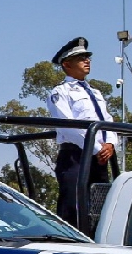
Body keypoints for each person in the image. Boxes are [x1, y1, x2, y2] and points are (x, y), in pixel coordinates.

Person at [47, 36, 118, 228]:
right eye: (81, 58)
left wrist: (110, 144)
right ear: (66, 64)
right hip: (75, 158)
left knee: (100, 209)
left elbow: (107, 120)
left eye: (88, 57)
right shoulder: (60, 92)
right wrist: (97, 149)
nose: (87, 61)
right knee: (73, 209)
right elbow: (67, 126)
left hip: (99, 158)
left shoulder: (95, 92)